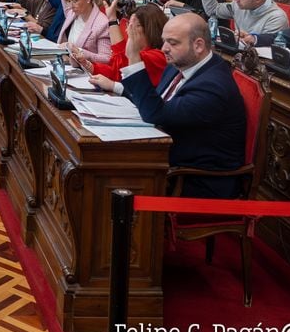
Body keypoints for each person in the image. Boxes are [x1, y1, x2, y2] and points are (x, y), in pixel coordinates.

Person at [93, 13, 246, 197]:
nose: (164, 48)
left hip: (194, 182)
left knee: (103, 174)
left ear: (198, 45)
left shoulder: (212, 86)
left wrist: (134, 58)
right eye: (164, 41)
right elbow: (157, 101)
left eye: (172, 43)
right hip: (168, 159)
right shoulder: (181, 64)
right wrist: (117, 87)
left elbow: (156, 114)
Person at [81, 0, 169, 86]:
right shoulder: (141, 52)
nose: (127, 31)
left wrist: (112, 21)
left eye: (133, 26)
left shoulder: (158, 56)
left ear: (149, 29)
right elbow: (116, 72)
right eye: (129, 25)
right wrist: (90, 66)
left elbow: (121, 68)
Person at [56, 0, 113, 64]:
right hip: (67, 64)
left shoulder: (102, 24)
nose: (71, 6)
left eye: (75, 1)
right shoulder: (72, 13)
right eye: (69, 1)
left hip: (88, 73)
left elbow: (106, 59)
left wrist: (78, 51)